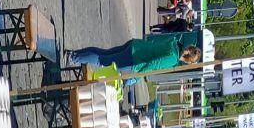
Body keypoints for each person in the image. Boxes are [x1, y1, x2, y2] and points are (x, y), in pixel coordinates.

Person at [67, 29, 202, 75]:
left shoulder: (174, 42)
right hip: (135, 59)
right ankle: (73, 58)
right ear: (188, 61)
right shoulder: (172, 59)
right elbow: (153, 64)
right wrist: (138, 74)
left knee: (104, 53)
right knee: (102, 61)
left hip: (137, 45)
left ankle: (74, 53)